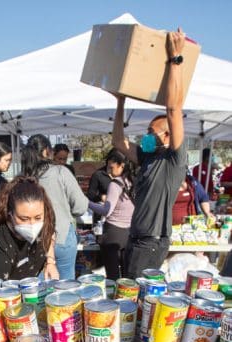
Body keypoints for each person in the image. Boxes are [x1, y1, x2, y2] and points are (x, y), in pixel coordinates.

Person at [112, 28, 187, 279]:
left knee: (136, 299)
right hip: (137, 238)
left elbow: (174, 109)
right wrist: (120, 102)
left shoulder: (172, 161)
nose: (146, 136)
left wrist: (175, 59)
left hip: (151, 242)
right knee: (130, 293)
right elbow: (118, 142)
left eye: (151, 131)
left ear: (166, 137)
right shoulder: (147, 157)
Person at [21, 134, 89, 280]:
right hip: (62, 235)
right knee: (65, 289)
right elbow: (81, 206)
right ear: (47, 151)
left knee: (38, 290)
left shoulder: (24, 178)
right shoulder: (60, 172)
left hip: (34, 239)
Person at [0, 176, 59, 280]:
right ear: (10, 215)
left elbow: (50, 233)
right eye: (24, 219)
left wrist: (50, 262)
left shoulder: (46, 219)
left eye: (37, 217)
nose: (32, 224)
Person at [88, 150, 135, 280]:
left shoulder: (115, 184)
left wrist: (88, 203)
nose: (108, 171)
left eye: (111, 167)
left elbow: (106, 211)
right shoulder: (133, 182)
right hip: (130, 232)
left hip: (113, 232)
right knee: (127, 277)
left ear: (122, 165)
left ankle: (113, 300)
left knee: (113, 276)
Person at [87, 148, 119, 224]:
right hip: (101, 215)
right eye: (110, 167)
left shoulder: (125, 176)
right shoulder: (98, 174)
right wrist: (101, 197)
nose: (111, 171)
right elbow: (90, 195)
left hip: (119, 215)